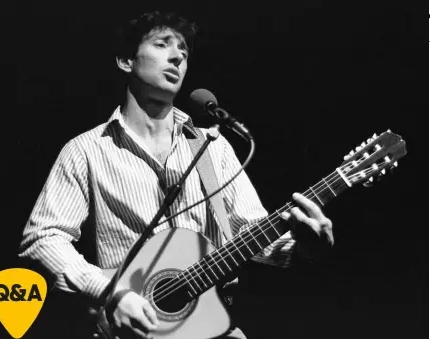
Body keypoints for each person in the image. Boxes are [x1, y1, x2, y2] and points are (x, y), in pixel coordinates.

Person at [19, 10, 334, 339]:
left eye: (183, 50)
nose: (178, 55)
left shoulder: (213, 147)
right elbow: (43, 238)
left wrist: (306, 248)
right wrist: (111, 292)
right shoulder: (86, 150)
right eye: (162, 44)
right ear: (127, 61)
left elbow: (253, 235)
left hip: (212, 326)